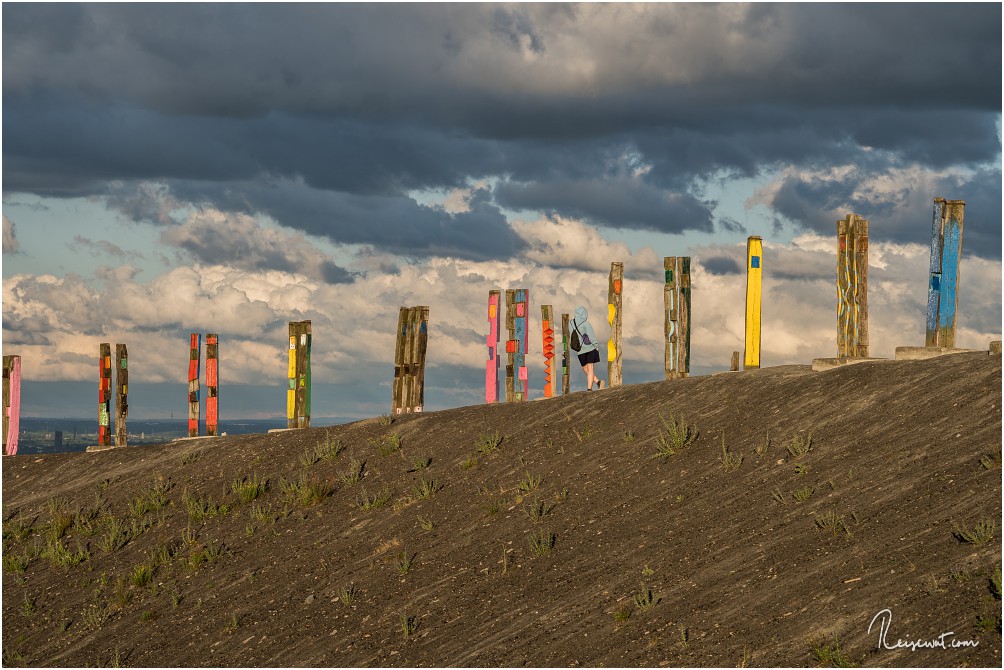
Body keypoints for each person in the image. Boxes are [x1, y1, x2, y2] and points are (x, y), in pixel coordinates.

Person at [573, 305, 605, 391]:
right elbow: (592, 336)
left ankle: (598, 383)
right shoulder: (586, 324)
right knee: (590, 368)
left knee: (585, 368)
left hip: (579, 350)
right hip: (590, 348)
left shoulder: (571, 323)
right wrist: (596, 347)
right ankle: (590, 388)